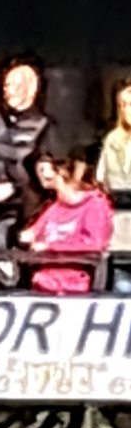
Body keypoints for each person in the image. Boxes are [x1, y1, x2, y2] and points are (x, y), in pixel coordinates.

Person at [0, 58, 58, 287]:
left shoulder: (45, 126)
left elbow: (49, 176)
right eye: (6, 85)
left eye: (15, 84)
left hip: (31, 206)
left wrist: (18, 188)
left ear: (32, 89)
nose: (8, 91)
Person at [21, 154, 113, 295]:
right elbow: (34, 232)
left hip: (78, 284)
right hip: (44, 282)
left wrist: (51, 247)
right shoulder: (56, 206)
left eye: (46, 168)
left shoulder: (95, 205)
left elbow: (95, 245)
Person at [97, 80, 131, 293]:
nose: (128, 110)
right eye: (124, 105)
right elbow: (102, 180)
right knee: (122, 287)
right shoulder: (113, 140)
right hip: (120, 229)